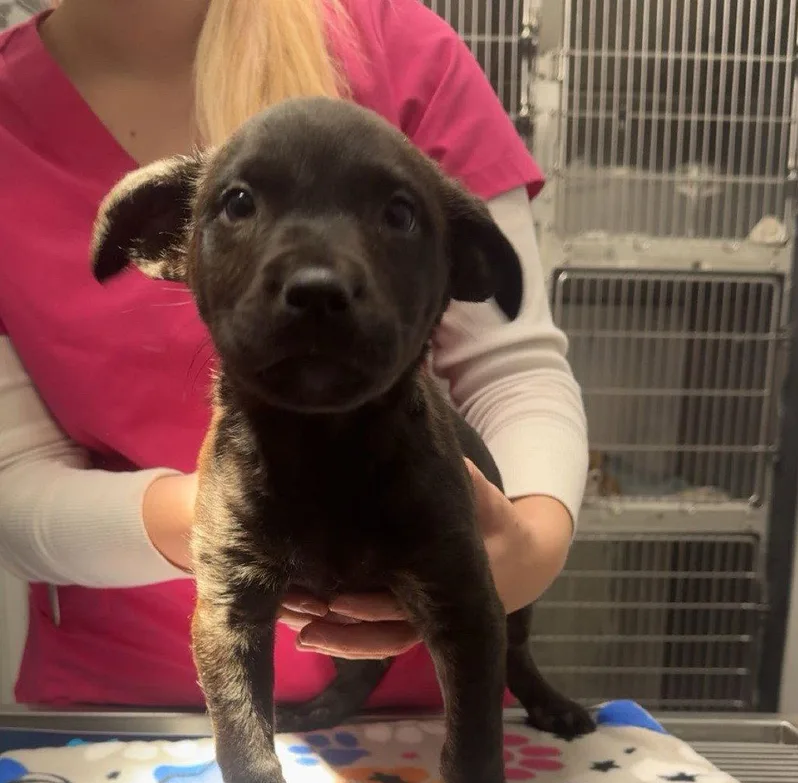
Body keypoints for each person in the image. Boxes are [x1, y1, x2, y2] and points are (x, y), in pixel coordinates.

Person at [0, 0, 588, 709]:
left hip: (412, 713)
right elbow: (13, 477)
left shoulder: (397, 48)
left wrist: (529, 546)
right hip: (129, 716)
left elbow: (512, 364)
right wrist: (232, 522)